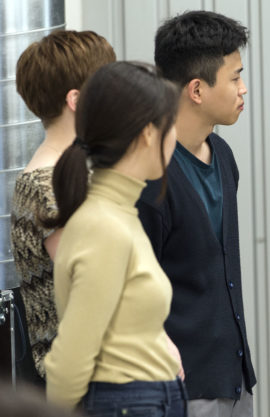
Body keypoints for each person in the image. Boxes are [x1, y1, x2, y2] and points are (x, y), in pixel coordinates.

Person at [42, 61, 186, 416]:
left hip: (141, 400)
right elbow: (70, 359)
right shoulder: (103, 225)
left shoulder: (119, 214)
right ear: (149, 133)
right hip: (129, 403)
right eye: (172, 124)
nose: (176, 137)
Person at [136, 11, 254, 417]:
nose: (244, 88)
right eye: (235, 77)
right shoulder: (148, 173)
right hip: (179, 385)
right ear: (197, 90)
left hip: (233, 376)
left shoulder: (222, 155)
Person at [10, 30, 115, 388]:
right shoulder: (45, 185)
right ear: (76, 99)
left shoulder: (77, 171)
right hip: (82, 380)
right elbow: (91, 283)